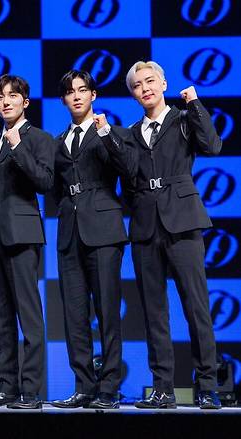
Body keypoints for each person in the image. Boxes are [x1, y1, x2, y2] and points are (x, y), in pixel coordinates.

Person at [122, 61, 222, 410]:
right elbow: (127, 180)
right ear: (133, 94)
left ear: (163, 84)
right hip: (145, 226)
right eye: (137, 85)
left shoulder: (183, 119)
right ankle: (162, 388)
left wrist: (194, 103)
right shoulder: (131, 132)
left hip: (182, 221)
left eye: (150, 81)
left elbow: (212, 145)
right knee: (154, 312)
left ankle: (207, 386)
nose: (145, 88)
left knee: (196, 306)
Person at [49, 70, 135, 410]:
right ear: (63, 100)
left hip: (103, 230)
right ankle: (84, 386)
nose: (76, 96)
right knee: (74, 315)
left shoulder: (110, 132)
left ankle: (109, 388)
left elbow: (128, 169)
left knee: (108, 311)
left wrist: (106, 132)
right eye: (70, 92)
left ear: (93, 95)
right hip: (69, 232)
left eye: (82, 90)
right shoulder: (58, 141)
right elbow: (55, 188)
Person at [0, 74, 53, 409]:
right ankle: (7, 387)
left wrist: (19, 146)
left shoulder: (38, 138)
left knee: (29, 317)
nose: (5, 102)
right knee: (1, 316)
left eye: (12, 96)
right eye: (0, 97)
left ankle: (31, 391)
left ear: (26, 101)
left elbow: (45, 182)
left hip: (22, 234)